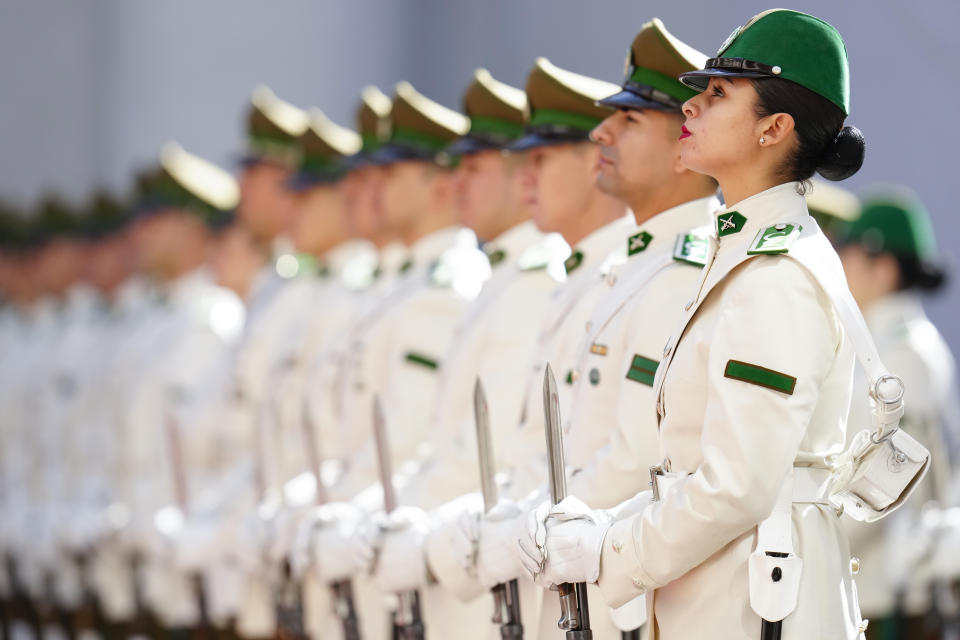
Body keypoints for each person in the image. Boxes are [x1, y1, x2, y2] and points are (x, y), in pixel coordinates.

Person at [520, 9, 874, 638]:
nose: (690, 108)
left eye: (716, 95)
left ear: (774, 129)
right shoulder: (740, 252)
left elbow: (737, 486)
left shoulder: (777, 272)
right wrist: (603, 527)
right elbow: (690, 467)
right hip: (718, 599)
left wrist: (613, 550)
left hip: (755, 609)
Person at [835, 189, 959, 639]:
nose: (840, 268)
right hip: (876, 582)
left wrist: (815, 543)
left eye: (847, 254)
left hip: (890, 595)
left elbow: (889, 477)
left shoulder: (904, 351)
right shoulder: (890, 341)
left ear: (882, 268)